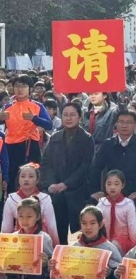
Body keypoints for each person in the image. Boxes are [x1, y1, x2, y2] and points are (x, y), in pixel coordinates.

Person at [41, 206, 122, 279]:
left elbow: (118, 275)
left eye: (92, 223)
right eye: (84, 223)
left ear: (101, 224)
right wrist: (53, 267)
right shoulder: (74, 246)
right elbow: (63, 272)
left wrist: (110, 273)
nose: (88, 227)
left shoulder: (109, 248)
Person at [40, 102, 94, 244]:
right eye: (65, 115)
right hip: (56, 191)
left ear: (80, 117)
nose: (68, 118)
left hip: (78, 190)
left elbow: (85, 166)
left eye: (72, 115)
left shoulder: (86, 138)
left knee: (81, 233)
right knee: (58, 231)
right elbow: (46, 164)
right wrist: (51, 183)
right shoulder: (55, 138)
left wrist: (66, 184)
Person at [88, 109, 136, 215]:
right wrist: (95, 190)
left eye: (129, 122)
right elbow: (95, 168)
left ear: (135, 125)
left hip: (133, 192)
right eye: (121, 122)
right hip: (111, 190)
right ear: (116, 124)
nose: (124, 125)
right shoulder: (108, 144)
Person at [0, 197, 54, 279]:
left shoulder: (44, 238)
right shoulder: (12, 238)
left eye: (29, 216)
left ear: (38, 217)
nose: (24, 220)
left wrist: (46, 263)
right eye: (21, 216)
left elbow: (53, 266)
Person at [0, 75, 53, 187]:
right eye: (17, 86)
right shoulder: (7, 107)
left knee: (32, 180)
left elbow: (49, 124)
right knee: (12, 181)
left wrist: (34, 118)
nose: (20, 89)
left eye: (23, 86)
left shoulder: (37, 106)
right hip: (10, 148)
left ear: (30, 89)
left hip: (30, 147)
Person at [2, 163, 59, 244]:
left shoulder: (45, 199)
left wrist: (55, 248)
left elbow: (52, 227)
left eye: (31, 176)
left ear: (37, 179)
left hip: (41, 241)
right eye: (23, 176)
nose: (26, 179)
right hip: (18, 241)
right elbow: (6, 228)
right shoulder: (12, 199)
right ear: (18, 179)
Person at [97, 170, 136, 255]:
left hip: (122, 244)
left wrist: (134, 250)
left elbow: (132, 229)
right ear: (105, 185)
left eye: (116, 184)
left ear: (122, 185)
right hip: (104, 241)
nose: (112, 187)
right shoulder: (101, 203)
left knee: (115, 244)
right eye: (109, 184)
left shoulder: (128, 204)